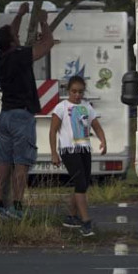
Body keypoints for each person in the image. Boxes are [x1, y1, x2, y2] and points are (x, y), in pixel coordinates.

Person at [0, 2, 55, 219]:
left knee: (3, 161)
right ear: (12, 42)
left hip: (6, 116)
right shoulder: (19, 55)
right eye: (15, 35)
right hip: (22, 115)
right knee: (21, 163)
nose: (18, 36)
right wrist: (44, 22)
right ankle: (17, 207)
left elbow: (10, 33)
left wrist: (19, 14)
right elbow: (47, 44)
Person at [49, 75, 107, 237]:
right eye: (74, 91)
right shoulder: (61, 107)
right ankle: (86, 221)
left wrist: (103, 141)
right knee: (80, 182)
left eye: (80, 92)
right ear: (68, 91)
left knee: (83, 184)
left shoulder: (87, 107)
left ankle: (71, 217)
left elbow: (96, 126)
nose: (77, 95)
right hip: (69, 150)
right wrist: (54, 152)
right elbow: (53, 131)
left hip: (84, 149)